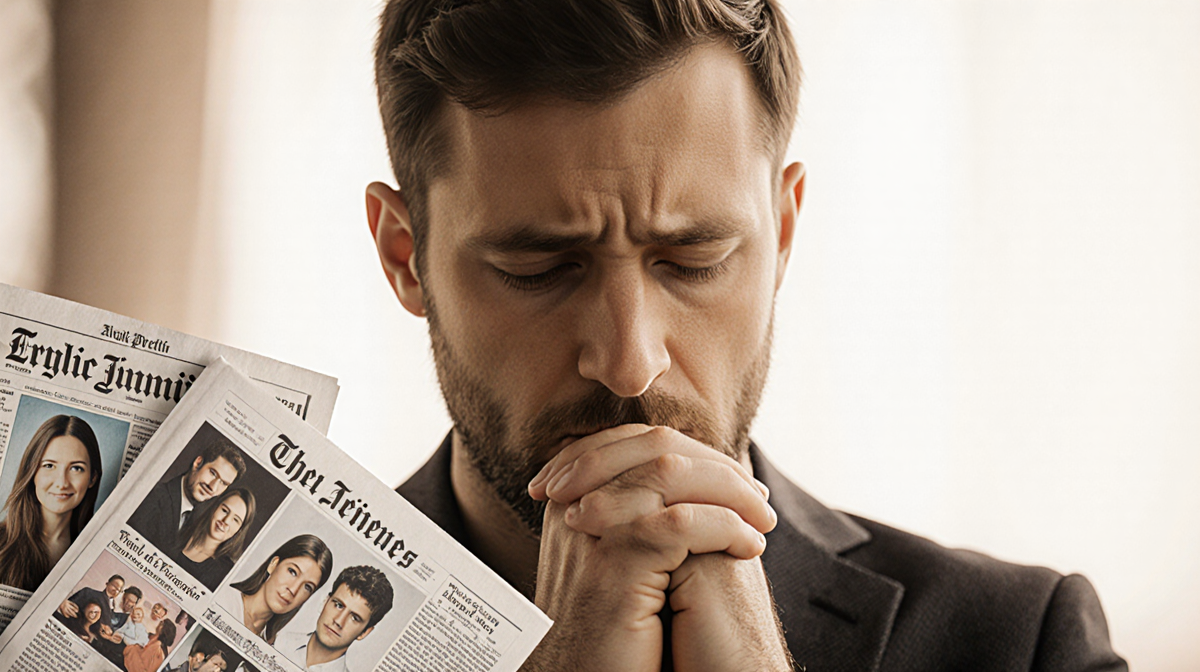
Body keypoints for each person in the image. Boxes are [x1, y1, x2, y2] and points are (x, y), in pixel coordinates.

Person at [367, 1, 1128, 670]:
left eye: (694, 261)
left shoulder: (1021, 642)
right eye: (538, 268)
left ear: (784, 236)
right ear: (405, 256)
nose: (631, 365)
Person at [0, 414, 103, 591]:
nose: (61, 483)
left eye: (76, 468)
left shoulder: (95, 553)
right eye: (49, 466)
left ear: (92, 478)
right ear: (32, 472)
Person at [128, 432, 246, 552]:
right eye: (213, 473)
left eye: (223, 483)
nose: (213, 487)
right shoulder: (153, 497)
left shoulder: (196, 519)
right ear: (198, 463)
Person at [217, 534, 334, 644]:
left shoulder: (270, 644)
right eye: (292, 572)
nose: (294, 590)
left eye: (307, 587)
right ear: (273, 564)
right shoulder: (223, 598)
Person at [275, 565, 394, 672]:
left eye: (354, 618)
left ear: (364, 632)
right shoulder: (278, 640)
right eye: (338, 605)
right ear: (325, 602)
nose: (338, 621)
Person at [171, 488, 255, 589]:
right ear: (215, 507)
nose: (226, 521)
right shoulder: (179, 528)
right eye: (224, 510)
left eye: (235, 520)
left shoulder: (226, 573)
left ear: (239, 530)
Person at [57, 573, 122, 630]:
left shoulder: (112, 611)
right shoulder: (88, 592)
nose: (115, 591)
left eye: (118, 589)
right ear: (107, 584)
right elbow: (67, 608)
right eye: (114, 586)